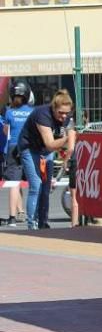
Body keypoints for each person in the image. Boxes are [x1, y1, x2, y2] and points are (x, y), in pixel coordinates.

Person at [18, 90, 76, 230]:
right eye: (60, 112)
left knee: (46, 186)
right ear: (53, 108)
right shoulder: (42, 115)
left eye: (66, 113)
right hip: (29, 148)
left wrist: (68, 153)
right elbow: (50, 143)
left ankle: (43, 222)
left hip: (46, 150)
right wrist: (68, 139)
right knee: (36, 184)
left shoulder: (67, 118)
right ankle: (32, 224)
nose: (63, 116)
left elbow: (69, 139)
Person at [2, 82, 32, 226]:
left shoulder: (9, 112)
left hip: (13, 148)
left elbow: (6, 132)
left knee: (14, 182)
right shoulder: (32, 111)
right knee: (34, 181)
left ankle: (12, 217)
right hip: (28, 146)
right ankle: (34, 215)